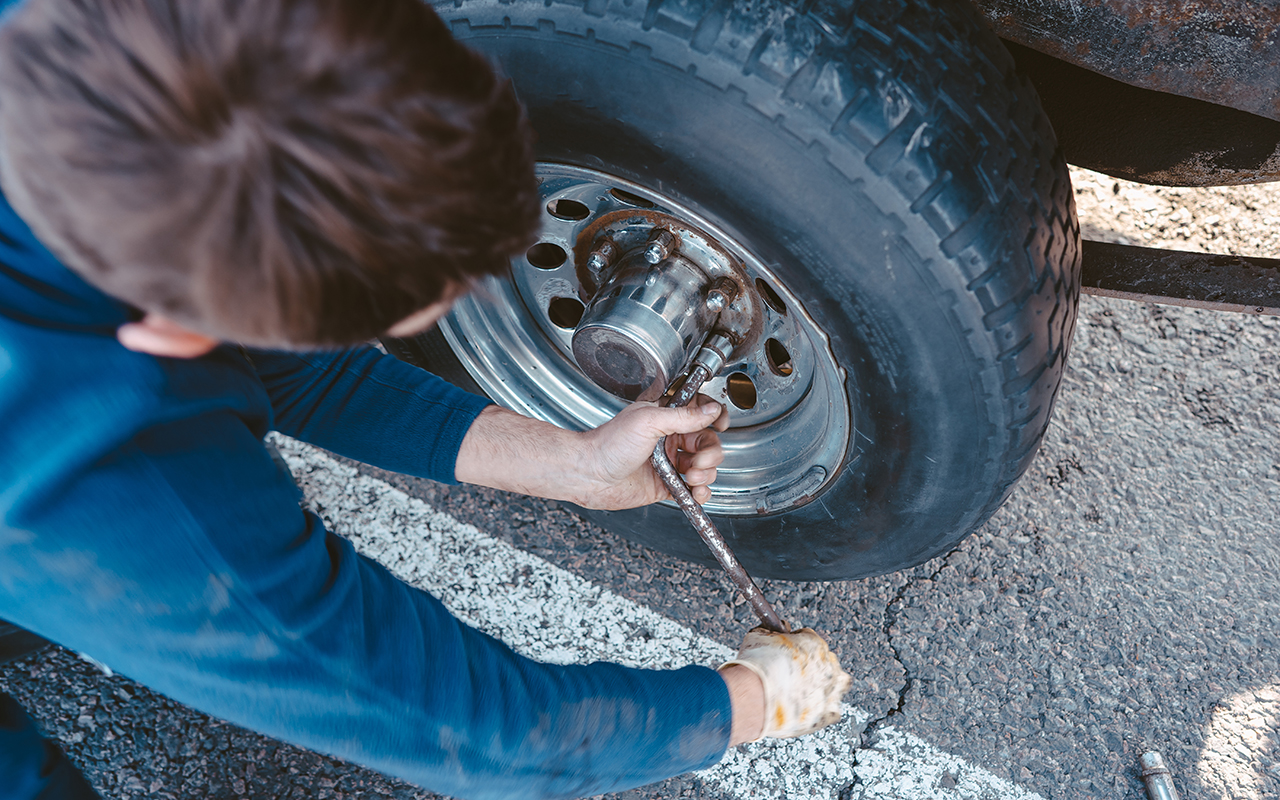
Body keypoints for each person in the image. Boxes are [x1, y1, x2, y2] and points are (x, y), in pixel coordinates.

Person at [0, 1, 852, 798]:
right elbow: (490, 734)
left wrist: (579, 465)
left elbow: (292, 368)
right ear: (174, 331)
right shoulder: (108, 488)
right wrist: (766, 696)